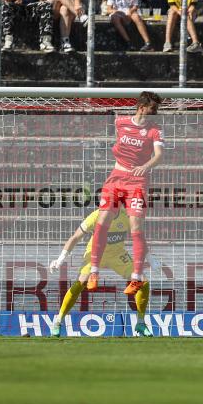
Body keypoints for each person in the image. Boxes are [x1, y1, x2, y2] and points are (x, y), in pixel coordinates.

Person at [87, 91, 164, 296]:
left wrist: (146, 166)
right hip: (116, 178)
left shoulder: (154, 131)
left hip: (137, 182)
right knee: (102, 220)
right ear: (141, 107)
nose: (155, 113)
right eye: (152, 109)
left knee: (135, 227)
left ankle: (136, 277)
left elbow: (159, 155)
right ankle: (94, 272)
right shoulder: (120, 122)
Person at [49, 207, 161, 337]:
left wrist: (151, 259)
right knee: (81, 282)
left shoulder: (127, 216)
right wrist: (60, 260)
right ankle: (58, 321)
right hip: (95, 253)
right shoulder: (96, 215)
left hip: (117, 255)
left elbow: (139, 239)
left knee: (143, 281)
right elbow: (75, 237)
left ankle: (140, 323)